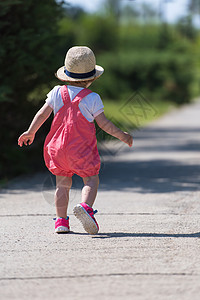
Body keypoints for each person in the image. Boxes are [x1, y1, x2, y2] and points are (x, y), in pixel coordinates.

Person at [18, 46, 133, 235]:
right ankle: (86, 207)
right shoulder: (92, 98)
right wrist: (123, 135)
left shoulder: (56, 92)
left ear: (66, 75)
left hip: (56, 148)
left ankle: (61, 222)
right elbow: (104, 124)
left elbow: (42, 114)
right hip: (81, 150)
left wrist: (30, 132)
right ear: (92, 78)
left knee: (62, 185)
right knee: (91, 180)